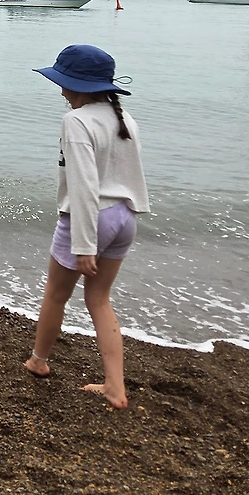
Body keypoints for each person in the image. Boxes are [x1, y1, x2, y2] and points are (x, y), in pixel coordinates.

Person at [24, 45, 149, 410]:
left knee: (56, 294)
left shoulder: (76, 121)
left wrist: (84, 243)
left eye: (63, 83)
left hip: (92, 218)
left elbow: (83, 185)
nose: (61, 91)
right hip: (125, 216)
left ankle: (38, 361)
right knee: (99, 299)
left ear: (76, 85)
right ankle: (115, 386)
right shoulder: (124, 118)